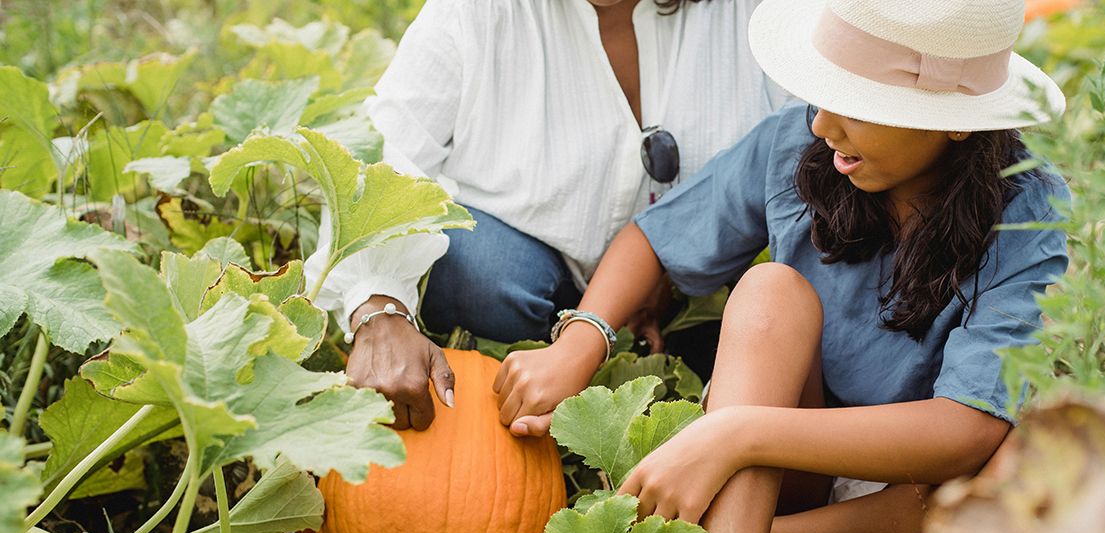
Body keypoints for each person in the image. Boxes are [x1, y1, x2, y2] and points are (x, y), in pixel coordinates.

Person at [493, 0, 1070, 533]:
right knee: (772, 290)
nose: (823, 125)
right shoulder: (798, 145)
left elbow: (964, 433)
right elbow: (655, 238)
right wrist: (581, 341)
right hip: (791, 461)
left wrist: (734, 433)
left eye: (859, 105)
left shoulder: (1027, 211)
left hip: (919, 492)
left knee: (1032, 460)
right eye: (825, 93)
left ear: (958, 120)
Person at [303, 0, 789, 430]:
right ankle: (544, 379)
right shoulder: (474, 11)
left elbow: (812, 153)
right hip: (527, 283)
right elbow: (387, 151)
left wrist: (676, 260)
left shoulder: (759, 14)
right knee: (474, 269)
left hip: (694, 292)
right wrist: (378, 306)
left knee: (760, 309)